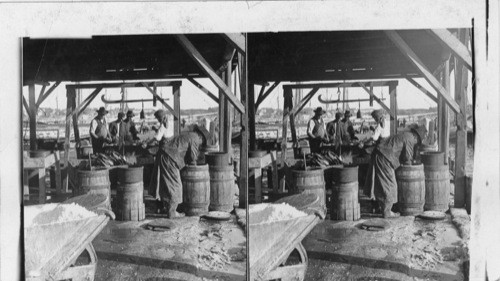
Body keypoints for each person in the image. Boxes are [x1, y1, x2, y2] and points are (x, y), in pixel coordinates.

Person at [143, 110, 208, 218]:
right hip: (170, 158)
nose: (201, 144)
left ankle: (165, 207)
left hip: (166, 154)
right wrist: (196, 163)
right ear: (201, 137)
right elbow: (192, 158)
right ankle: (172, 212)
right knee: (175, 185)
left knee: (165, 184)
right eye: (203, 142)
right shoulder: (196, 139)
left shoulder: (190, 134)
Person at [363, 124, 427, 218]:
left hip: (380, 153)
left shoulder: (406, 135)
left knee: (381, 184)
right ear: (416, 137)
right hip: (385, 156)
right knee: (389, 185)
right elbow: (407, 159)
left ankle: (381, 207)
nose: (417, 143)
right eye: (418, 142)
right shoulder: (410, 140)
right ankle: (387, 212)